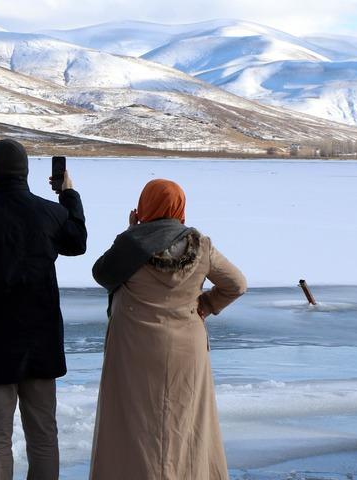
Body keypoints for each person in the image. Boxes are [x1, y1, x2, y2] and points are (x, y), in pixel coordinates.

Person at [0, 138, 87, 479]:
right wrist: (68, 195)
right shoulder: (50, 213)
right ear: (25, 171)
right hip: (42, 343)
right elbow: (77, 242)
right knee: (43, 435)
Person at [89, 179, 247, 480]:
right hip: (186, 349)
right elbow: (237, 284)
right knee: (185, 421)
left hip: (133, 350)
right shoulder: (201, 245)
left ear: (144, 205)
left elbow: (102, 274)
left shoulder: (131, 246)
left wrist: (130, 232)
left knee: (131, 424)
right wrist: (208, 304)